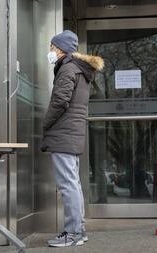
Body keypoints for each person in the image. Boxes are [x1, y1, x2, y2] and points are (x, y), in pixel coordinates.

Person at [41, 30, 104, 247]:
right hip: (71, 133)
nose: (50, 51)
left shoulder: (68, 68)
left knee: (68, 185)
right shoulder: (78, 69)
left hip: (64, 133)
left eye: (52, 47)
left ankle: (73, 232)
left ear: (60, 49)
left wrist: (45, 122)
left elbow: (60, 101)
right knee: (73, 184)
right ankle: (78, 231)